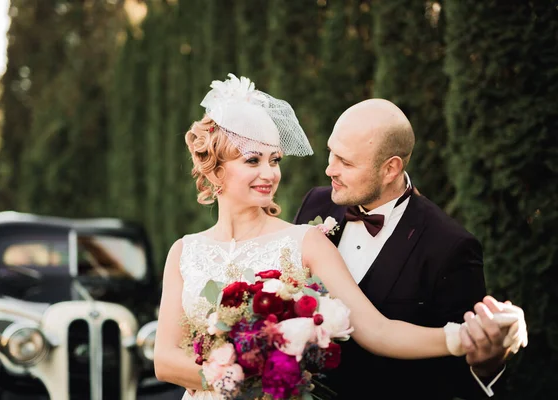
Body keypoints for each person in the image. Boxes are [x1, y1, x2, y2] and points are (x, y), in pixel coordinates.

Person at [153, 75, 524, 400]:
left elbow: (377, 330)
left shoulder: (305, 242)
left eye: (275, 160)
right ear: (214, 170)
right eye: (253, 160)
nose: (270, 173)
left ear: (391, 168)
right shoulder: (184, 251)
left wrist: (465, 336)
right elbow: (165, 360)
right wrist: (231, 377)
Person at [293, 98, 518, 398]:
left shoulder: (449, 247)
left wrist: (488, 363)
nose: (329, 169)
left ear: (390, 169)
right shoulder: (316, 203)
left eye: (345, 162)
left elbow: (463, 371)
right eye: (331, 153)